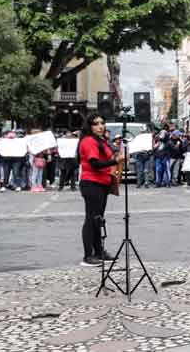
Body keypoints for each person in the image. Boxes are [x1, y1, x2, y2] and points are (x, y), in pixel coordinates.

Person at [77, 114, 123, 267]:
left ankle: (99, 252)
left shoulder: (101, 140)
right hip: (92, 183)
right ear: (89, 126)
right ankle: (88, 256)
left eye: (102, 123)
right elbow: (95, 163)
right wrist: (114, 161)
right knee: (91, 219)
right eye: (96, 124)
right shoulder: (89, 141)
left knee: (98, 219)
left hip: (101, 183)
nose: (100, 126)